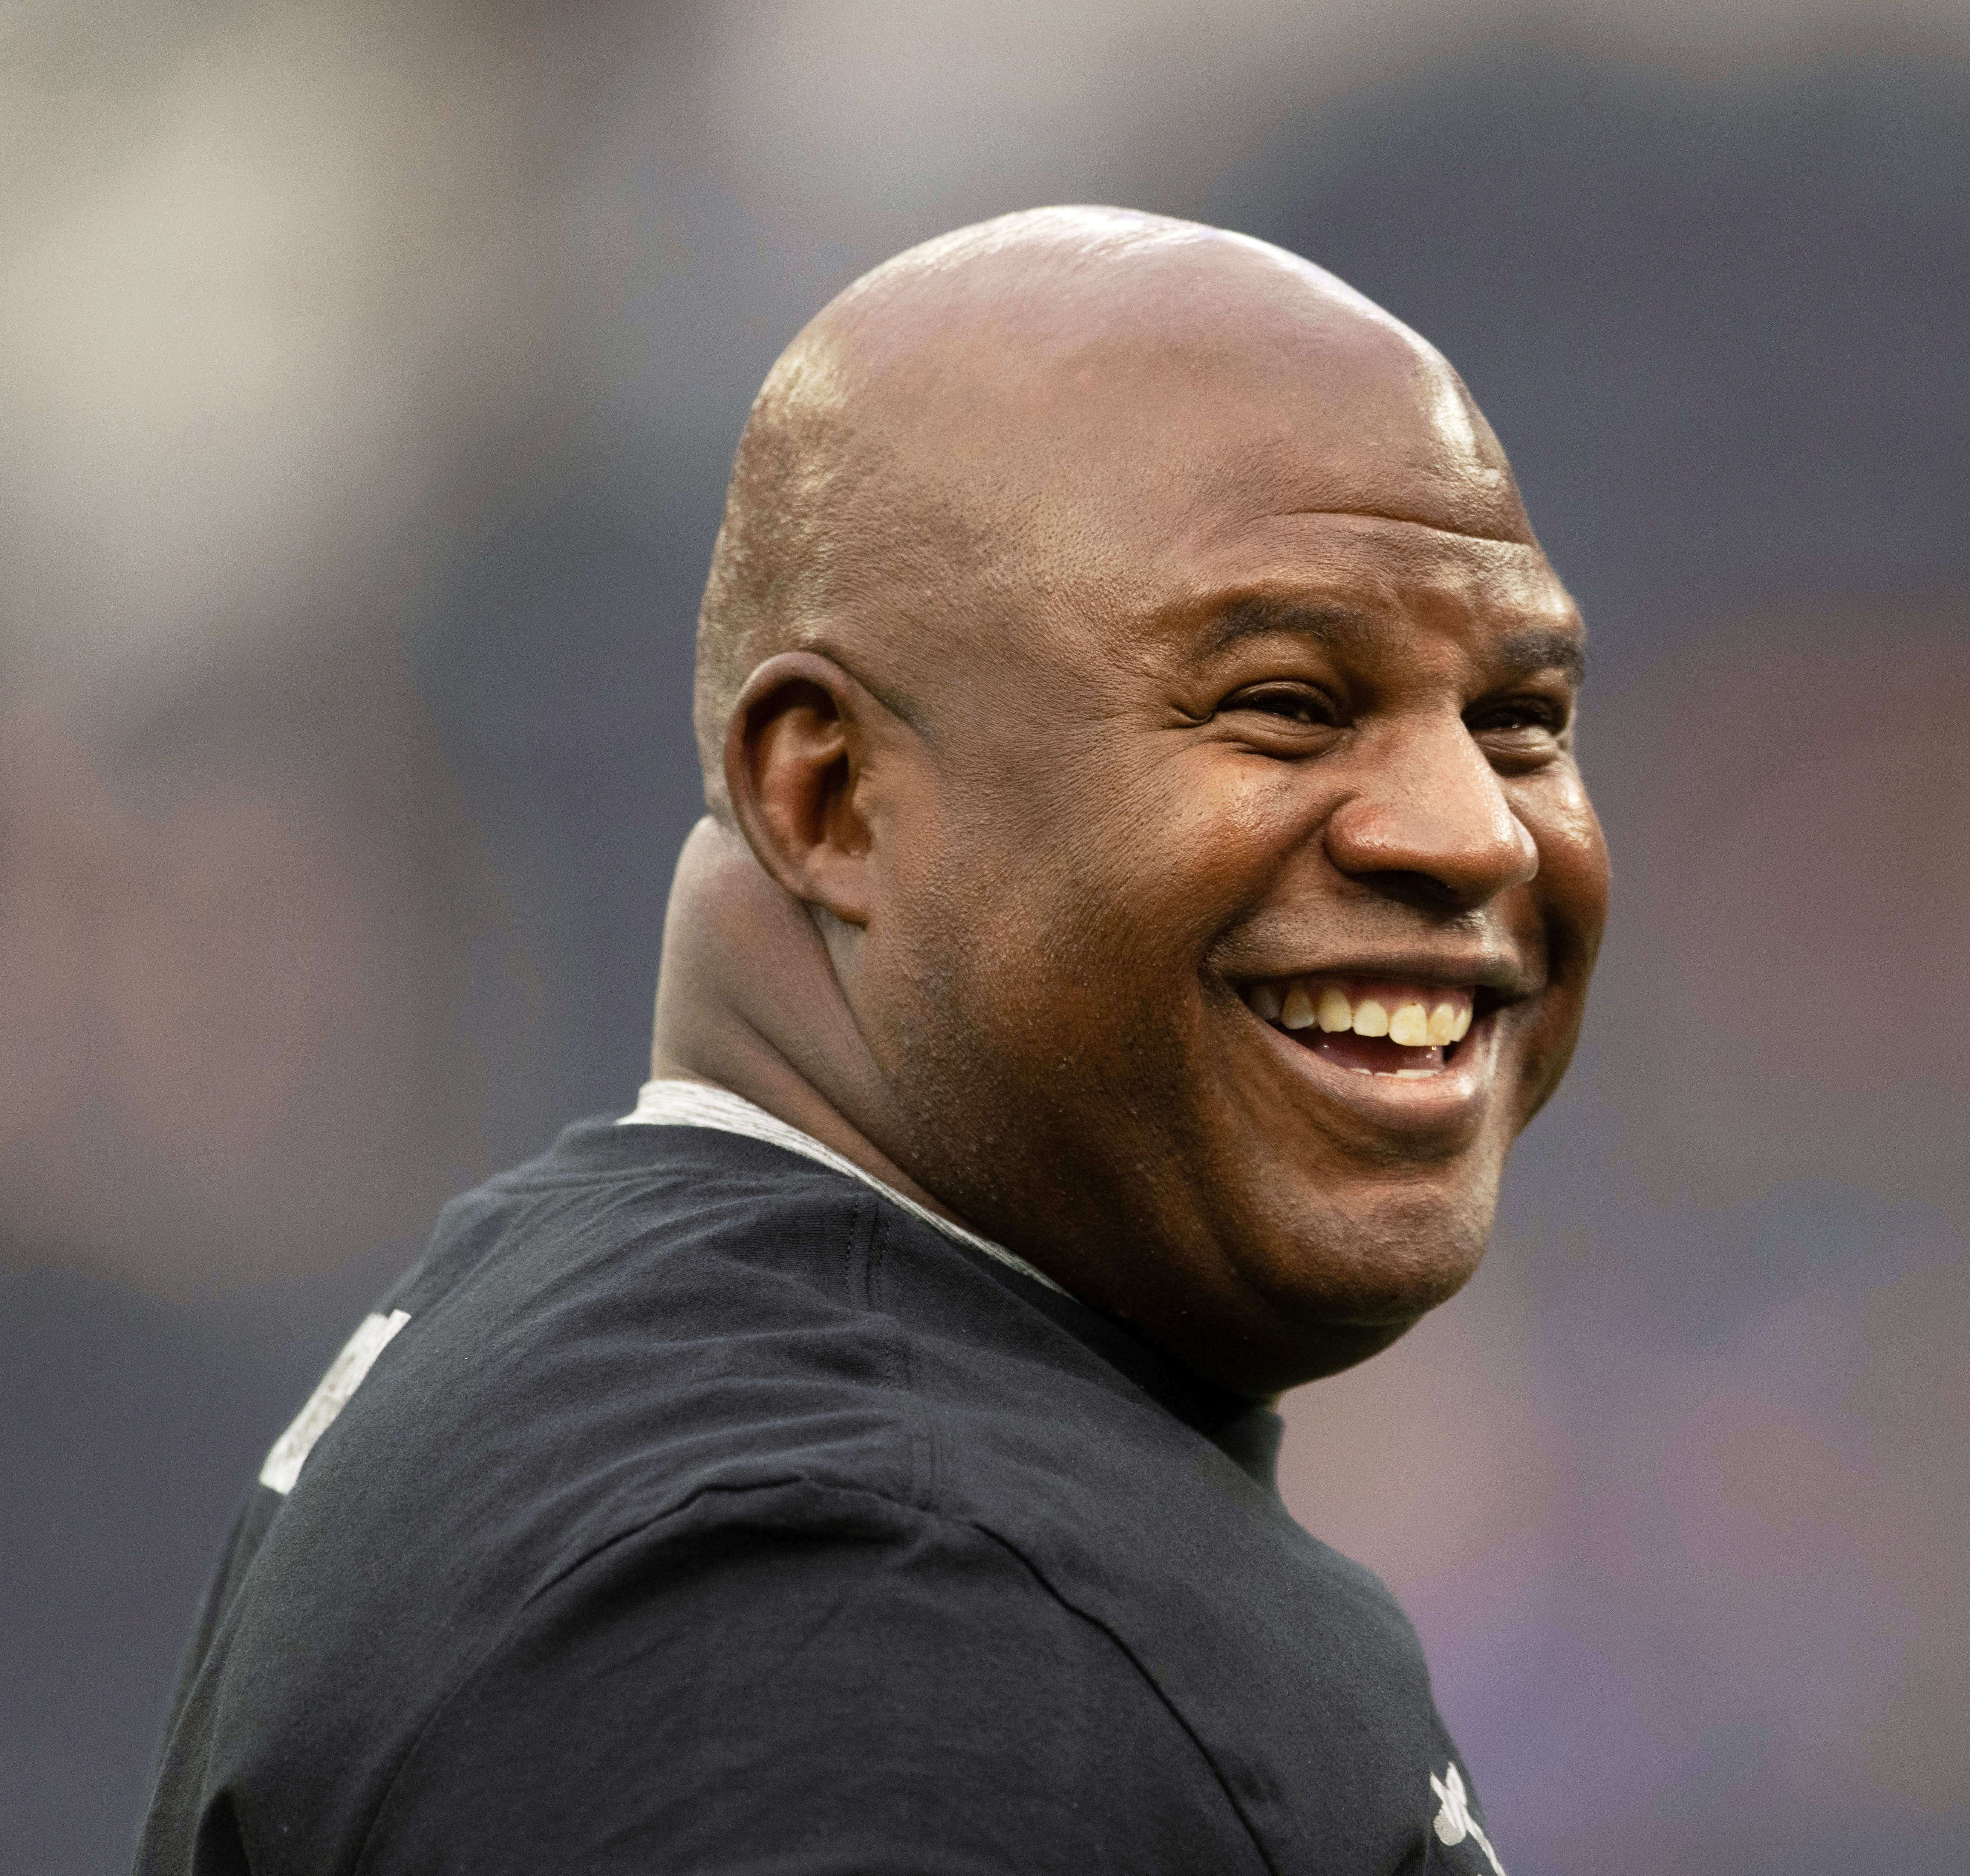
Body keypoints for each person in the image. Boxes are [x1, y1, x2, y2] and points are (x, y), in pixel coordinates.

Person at [136, 206, 1607, 1875]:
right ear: (829, 797)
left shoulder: (684, 1373)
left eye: (1519, 723)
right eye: (1283, 701)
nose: (1473, 833)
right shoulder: (861, 1603)